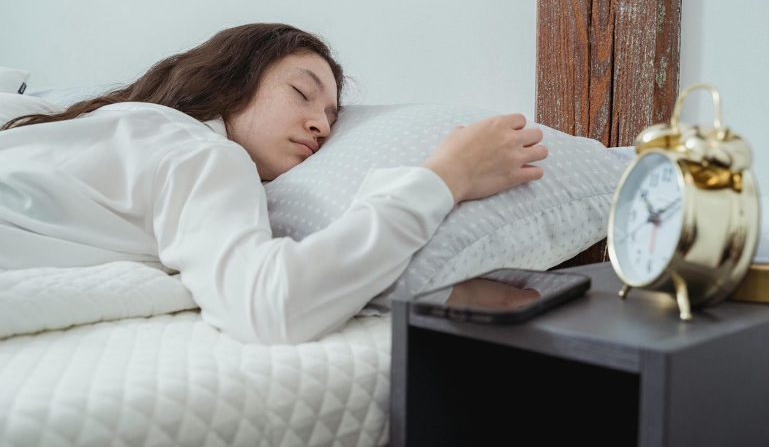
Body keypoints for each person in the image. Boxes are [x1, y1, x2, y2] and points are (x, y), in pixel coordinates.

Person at [0, 23, 548, 344]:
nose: (321, 125)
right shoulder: (197, 153)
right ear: (231, 80)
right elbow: (269, 303)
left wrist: (405, 290)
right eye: (302, 93)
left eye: (333, 117)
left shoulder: (109, 125)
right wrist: (445, 176)